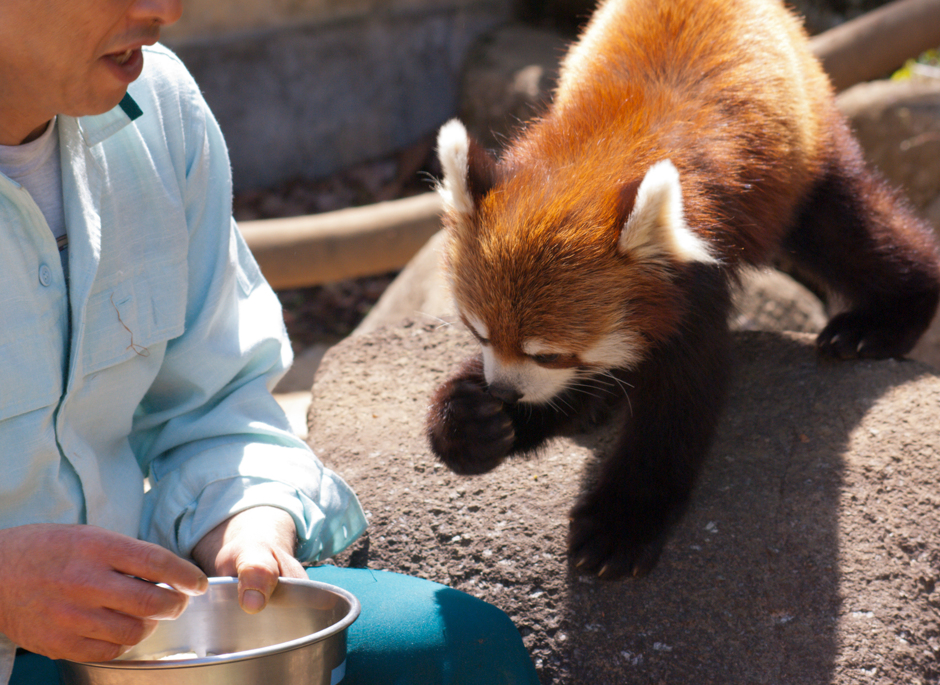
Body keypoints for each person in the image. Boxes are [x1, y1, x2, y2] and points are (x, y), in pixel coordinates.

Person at [0, 1, 540, 683]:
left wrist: (246, 517)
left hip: (144, 632)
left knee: (458, 651)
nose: (167, 9)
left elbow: (213, 398)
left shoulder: (159, 106)